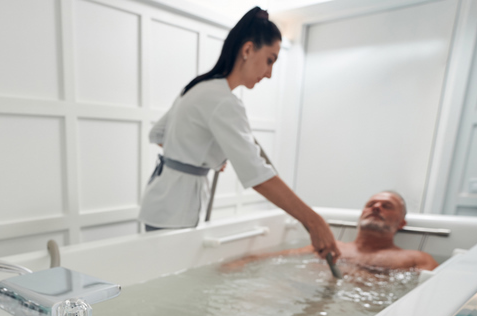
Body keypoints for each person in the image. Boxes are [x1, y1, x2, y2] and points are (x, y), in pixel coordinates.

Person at [139, 6, 340, 262]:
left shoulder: (197, 86)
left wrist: (202, 153)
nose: (269, 73)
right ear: (247, 50)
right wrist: (314, 222)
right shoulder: (224, 101)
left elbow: (158, 134)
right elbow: (258, 175)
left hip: (160, 202)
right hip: (175, 210)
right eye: (270, 60)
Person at [226, 191, 439, 271]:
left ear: (402, 223)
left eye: (386, 206)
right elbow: (277, 258)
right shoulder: (330, 247)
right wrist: (245, 260)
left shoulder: (414, 258)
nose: (376, 207)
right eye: (371, 204)